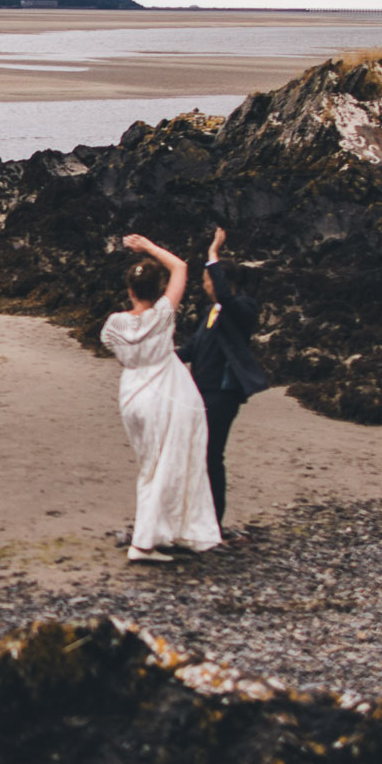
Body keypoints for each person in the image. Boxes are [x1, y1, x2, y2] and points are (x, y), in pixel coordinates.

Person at [101, 234, 221, 562]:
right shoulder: (162, 316)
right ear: (158, 291)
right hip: (165, 391)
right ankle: (144, 542)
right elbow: (180, 267)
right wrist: (149, 247)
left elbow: (120, 351)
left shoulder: (114, 324)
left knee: (151, 465)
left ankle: (159, 531)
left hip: (132, 393)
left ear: (129, 291)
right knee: (167, 464)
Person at [176, 227, 268, 534]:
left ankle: (213, 521)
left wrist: (213, 254)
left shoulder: (242, 307)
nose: (203, 285)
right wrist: (163, 357)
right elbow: (194, 347)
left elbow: (226, 296)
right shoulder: (213, 311)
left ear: (221, 281)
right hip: (201, 391)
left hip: (223, 393)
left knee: (211, 455)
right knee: (198, 454)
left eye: (206, 279)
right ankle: (199, 515)